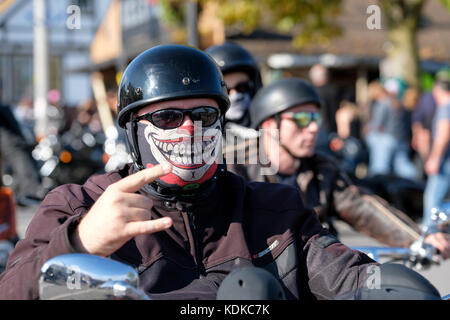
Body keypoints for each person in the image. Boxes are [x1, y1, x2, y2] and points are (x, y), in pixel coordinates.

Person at [0, 45, 379, 300]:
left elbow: (348, 276)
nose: (189, 129)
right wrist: (80, 242)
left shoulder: (275, 209)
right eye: (167, 117)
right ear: (133, 130)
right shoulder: (78, 203)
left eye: (203, 115)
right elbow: (12, 290)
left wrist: (390, 286)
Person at [225, 77, 450, 257]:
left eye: (315, 118)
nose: (313, 127)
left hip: (312, 275)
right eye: (302, 118)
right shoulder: (232, 166)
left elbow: (361, 207)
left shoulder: (322, 169)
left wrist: (418, 238)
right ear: (269, 124)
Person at [205, 42, 262, 128]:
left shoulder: (269, 129)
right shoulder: (202, 137)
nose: (235, 95)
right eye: (225, 91)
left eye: (242, 88)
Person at [422, 68, 450, 225]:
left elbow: (443, 134)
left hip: (445, 161)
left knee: (432, 199)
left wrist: (434, 158)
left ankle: (429, 236)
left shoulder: (445, 107)